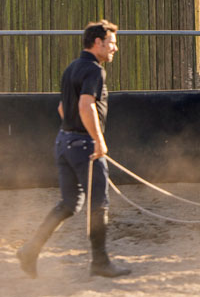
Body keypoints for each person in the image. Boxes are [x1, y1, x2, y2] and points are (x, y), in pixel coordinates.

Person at [17, 20, 131, 278]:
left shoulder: (71, 68)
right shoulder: (94, 71)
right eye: (111, 43)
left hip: (64, 142)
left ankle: (30, 250)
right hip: (84, 145)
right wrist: (97, 139)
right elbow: (85, 106)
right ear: (98, 42)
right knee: (99, 204)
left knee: (69, 203)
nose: (115, 48)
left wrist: (73, 133)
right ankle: (100, 262)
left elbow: (62, 108)